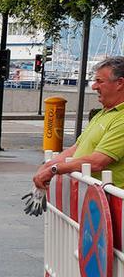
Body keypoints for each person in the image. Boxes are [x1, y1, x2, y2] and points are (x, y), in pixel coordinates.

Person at [33, 56, 124, 189]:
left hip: (112, 204)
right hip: (90, 200)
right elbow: (76, 148)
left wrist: (54, 169)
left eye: (99, 81)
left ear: (120, 83)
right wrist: (47, 166)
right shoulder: (104, 113)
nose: (94, 86)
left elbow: (97, 162)